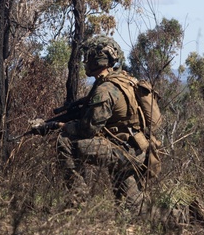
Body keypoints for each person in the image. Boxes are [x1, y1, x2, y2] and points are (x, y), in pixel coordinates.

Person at [55, 34, 153, 207]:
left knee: (65, 142)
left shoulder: (106, 89)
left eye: (89, 56)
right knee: (135, 207)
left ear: (98, 58)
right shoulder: (124, 79)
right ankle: (181, 215)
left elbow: (88, 130)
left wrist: (62, 126)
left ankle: (77, 202)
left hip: (123, 150)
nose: (86, 61)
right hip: (134, 149)